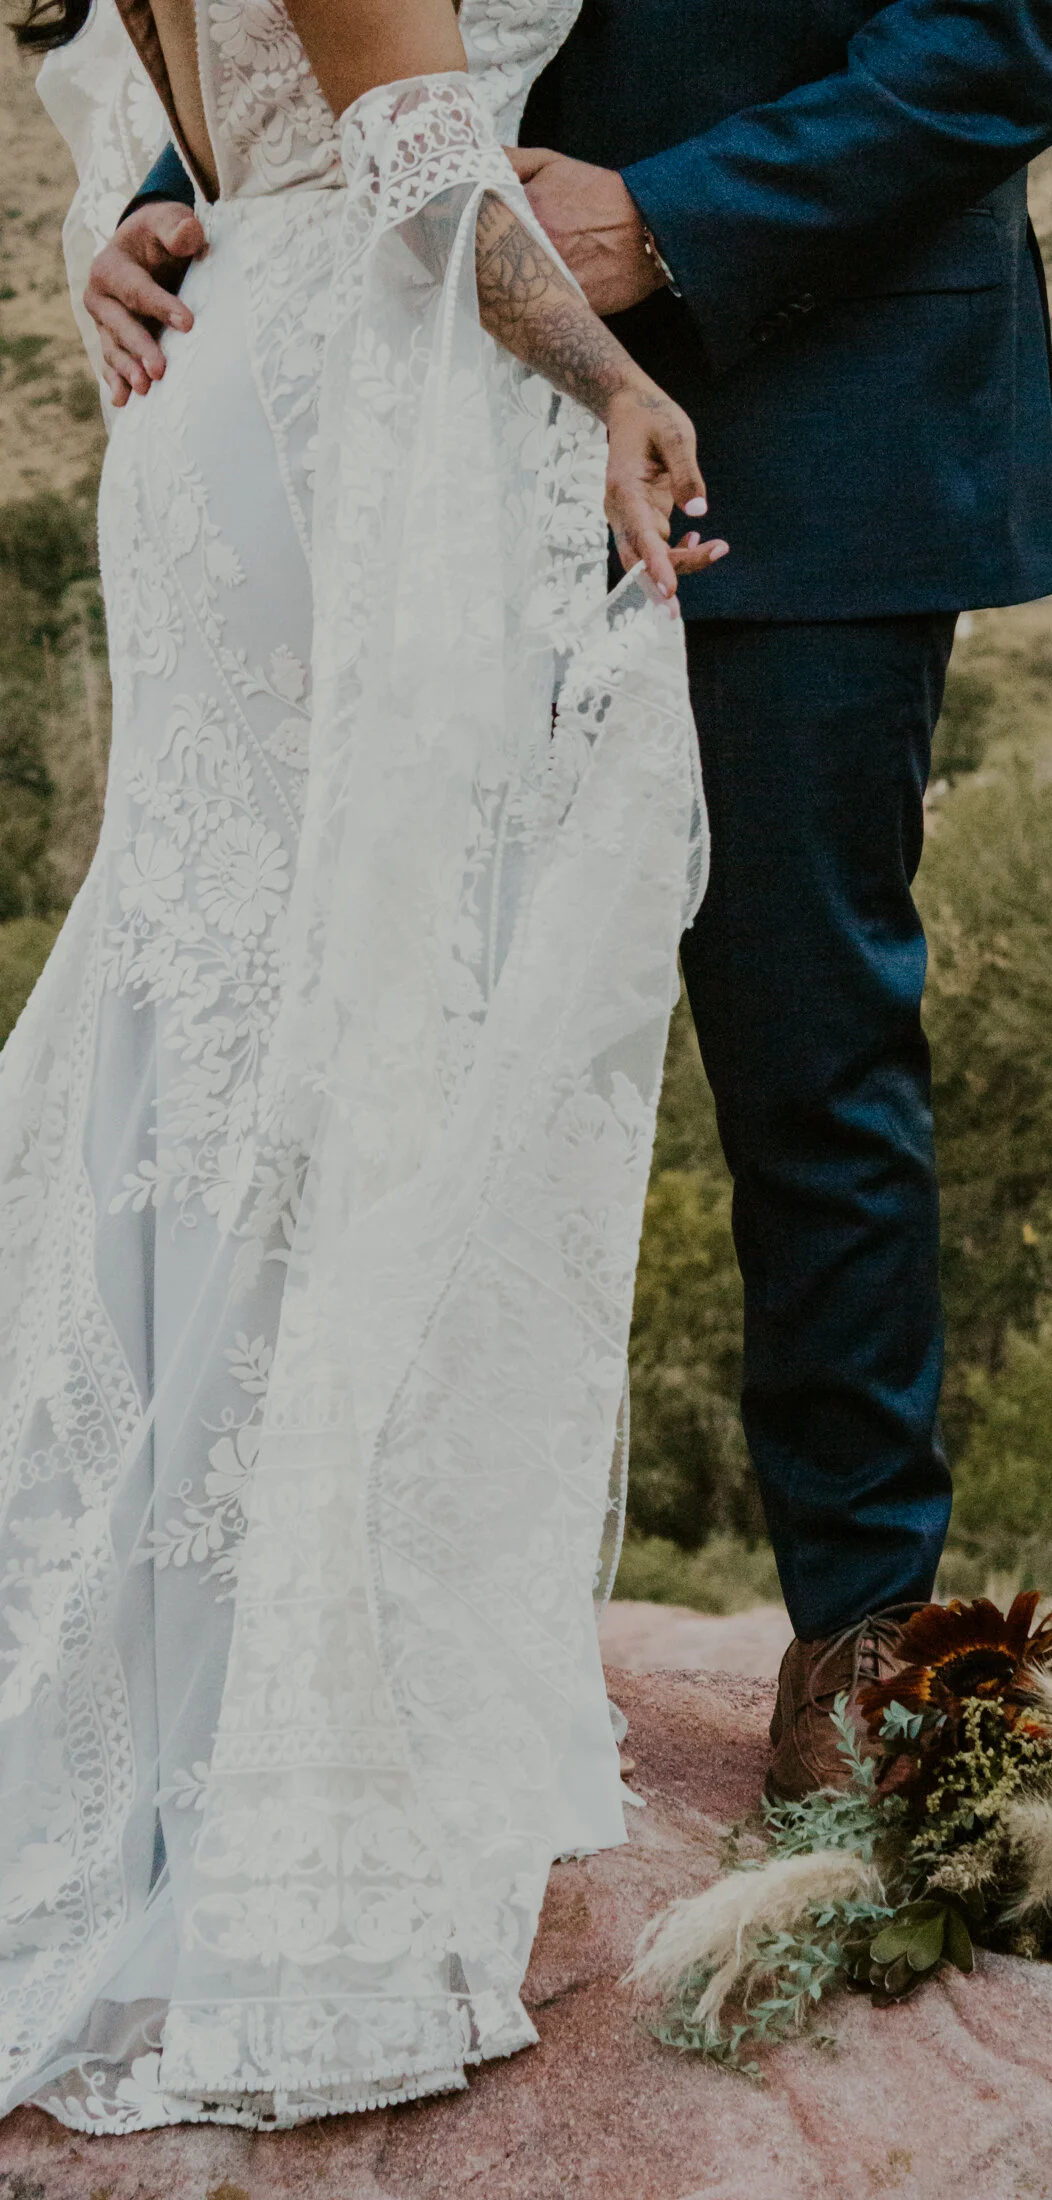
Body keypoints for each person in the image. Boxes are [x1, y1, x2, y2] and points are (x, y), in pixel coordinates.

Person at [92, 0, 1052, 1810]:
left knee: (810, 1047)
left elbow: (1027, 23)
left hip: (810, 411)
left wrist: (674, 218)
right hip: (409, 417)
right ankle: (351, 1628)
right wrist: (193, 187)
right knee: (363, 1037)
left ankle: (864, 1626)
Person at [1, 0, 725, 2132]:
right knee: (326, 1070)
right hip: (362, 415)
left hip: (263, 377)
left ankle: (193, 1783)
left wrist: (112, 243)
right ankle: (269, 1836)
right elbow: (417, 158)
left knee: (222, 1045)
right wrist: (610, 381)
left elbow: (175, 118)